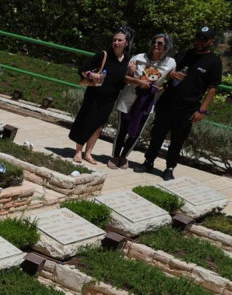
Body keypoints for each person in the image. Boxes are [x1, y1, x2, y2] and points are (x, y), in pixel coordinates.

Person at [141, 25, 224, 180]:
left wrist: (202, 111)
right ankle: (148, 161)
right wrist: (171, 74)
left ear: (211, 42)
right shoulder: (183, 54)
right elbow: (166, 72)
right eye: (198, 37)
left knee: (177, 140)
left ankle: (169, 168)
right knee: (157, 134)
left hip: (188, 108)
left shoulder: (214, 62)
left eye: (204, 39)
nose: (199, 41)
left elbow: (212, 89)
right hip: (167, 102)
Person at [109, 33, 174, 169]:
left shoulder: (170, 63)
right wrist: (134, 75)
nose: (156, 45)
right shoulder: (139, 58)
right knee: (122, 129)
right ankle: (115, 156)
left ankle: (124, 157)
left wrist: (159, 88)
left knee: (136, 132)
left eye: (160, 43)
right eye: (154, 42)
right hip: (129, 99)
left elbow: (170, 82)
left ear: (166, 46)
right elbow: (125, 78)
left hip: (146, 103)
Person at [68, 27, 131, 165]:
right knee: (86, 121)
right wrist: (92, 74)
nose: (116, 42)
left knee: (98, 126)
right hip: (94, 94)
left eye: (120, 40)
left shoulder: (127, 60)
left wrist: (131, 72)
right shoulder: (103, 55)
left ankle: (88, 153)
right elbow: (82, 69)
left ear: (126, 43)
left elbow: (123, 80)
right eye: (114, 40)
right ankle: (78, 151)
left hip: (110, 98)